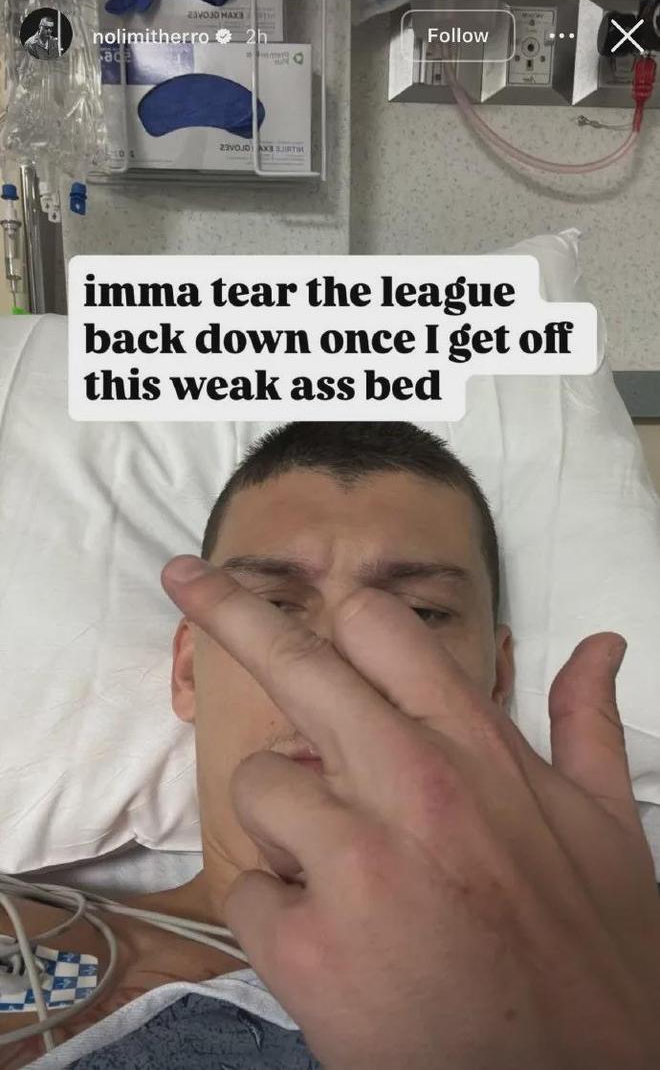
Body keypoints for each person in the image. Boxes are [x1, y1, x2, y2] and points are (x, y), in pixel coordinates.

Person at [2, 422, 658, 1069]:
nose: (332, 663)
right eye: (273, 607)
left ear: (498, 680)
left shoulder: (625, 964)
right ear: (189, 671)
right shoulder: (30, 948)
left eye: (420, 613)